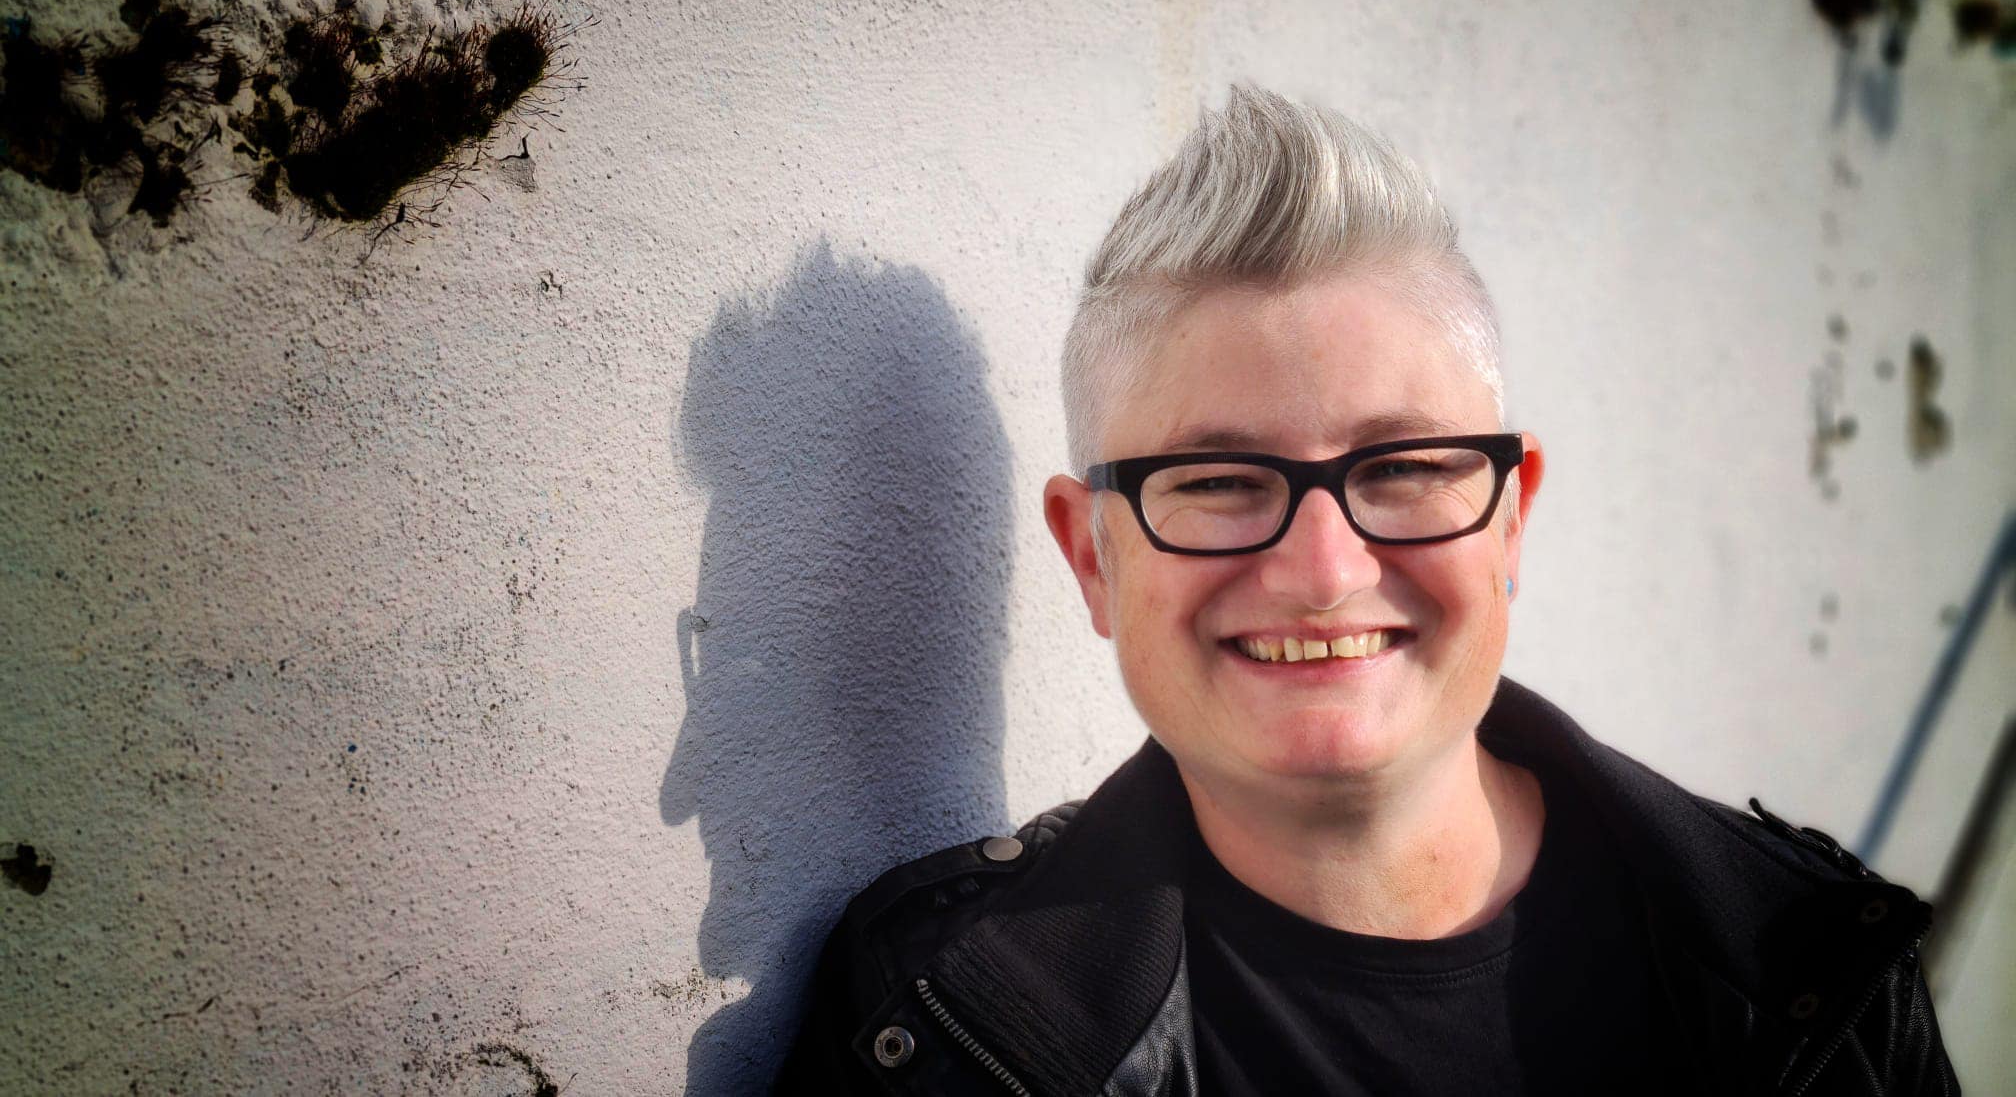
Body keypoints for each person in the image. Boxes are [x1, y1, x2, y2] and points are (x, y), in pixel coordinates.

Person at [773, 85, 1957, 1095]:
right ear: (1094, 557)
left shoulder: (1810, 966)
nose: (1326, 575)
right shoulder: (925, 1025)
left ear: (1511, 519)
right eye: (1219, 481)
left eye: (1403, 469)